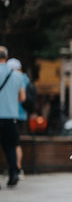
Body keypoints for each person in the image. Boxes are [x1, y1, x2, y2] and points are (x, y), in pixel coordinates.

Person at [0, 46, 26, 188]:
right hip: (11, 117)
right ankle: (13, 175)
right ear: (6, 56)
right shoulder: (17, 75)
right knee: (11, 147)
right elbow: (22, 97)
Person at [7, 58, 30, 179]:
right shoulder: (22, 78)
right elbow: (23, 97)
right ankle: (16, 170)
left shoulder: (13, 76)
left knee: (11, 145)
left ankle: (16, 169)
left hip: (7, 114)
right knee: (14, 145)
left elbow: (22, 97)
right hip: (17, 116)